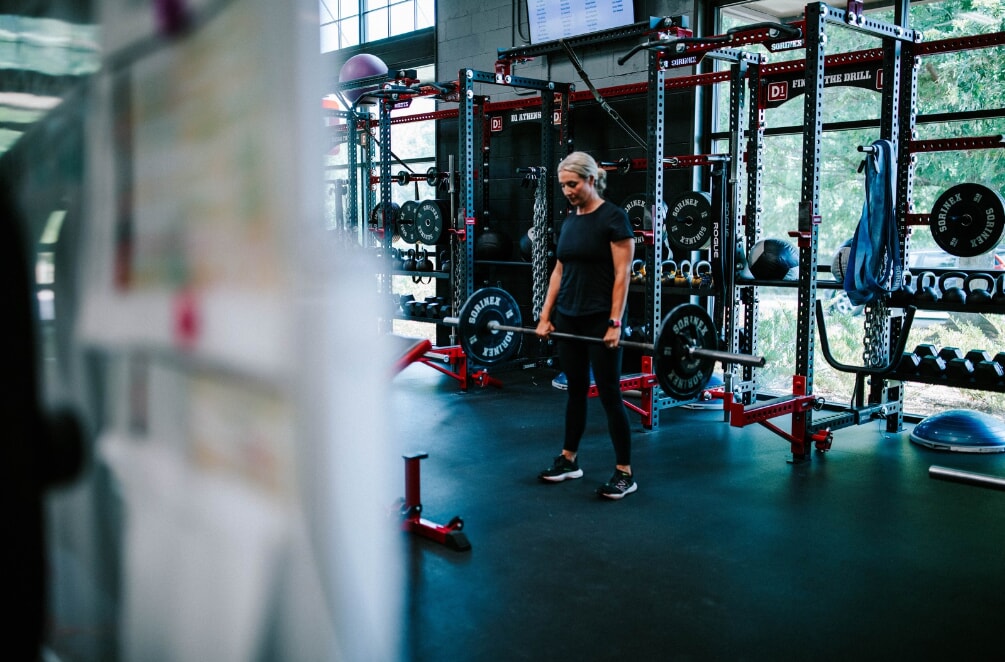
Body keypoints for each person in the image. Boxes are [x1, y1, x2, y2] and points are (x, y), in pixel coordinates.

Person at [535, 151, 637, 499]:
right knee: (575, 390)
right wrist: (546, 316)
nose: (567, 190)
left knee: (609, 394)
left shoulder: (614, 218)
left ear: (591, 180)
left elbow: (623, 275)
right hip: (569, 317)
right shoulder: (569, 222)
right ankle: (569, 460)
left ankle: (624, 471)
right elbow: (559, 272)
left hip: (599, 319)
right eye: (563, 185)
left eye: (573, 184)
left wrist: (615, 322)